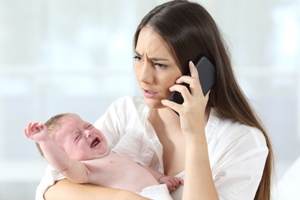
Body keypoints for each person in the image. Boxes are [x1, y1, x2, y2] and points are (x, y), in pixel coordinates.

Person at [37, 1, 274, 200]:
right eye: (138, 58)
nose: (143, 76)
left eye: (160, 64)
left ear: (201, 71)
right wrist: (127, 198)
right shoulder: (125, 112)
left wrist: (195, 138)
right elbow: (50, 188)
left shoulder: (243, 141)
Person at [24, 113, 183, 200]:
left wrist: (161, 179)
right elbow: (64, 166)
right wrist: (44, 141)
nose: (87, 132)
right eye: (77, 137)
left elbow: (139, 168)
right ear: (66, 156)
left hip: (158, 194)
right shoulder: (86, 169)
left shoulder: (115, 154)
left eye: (88, 126)